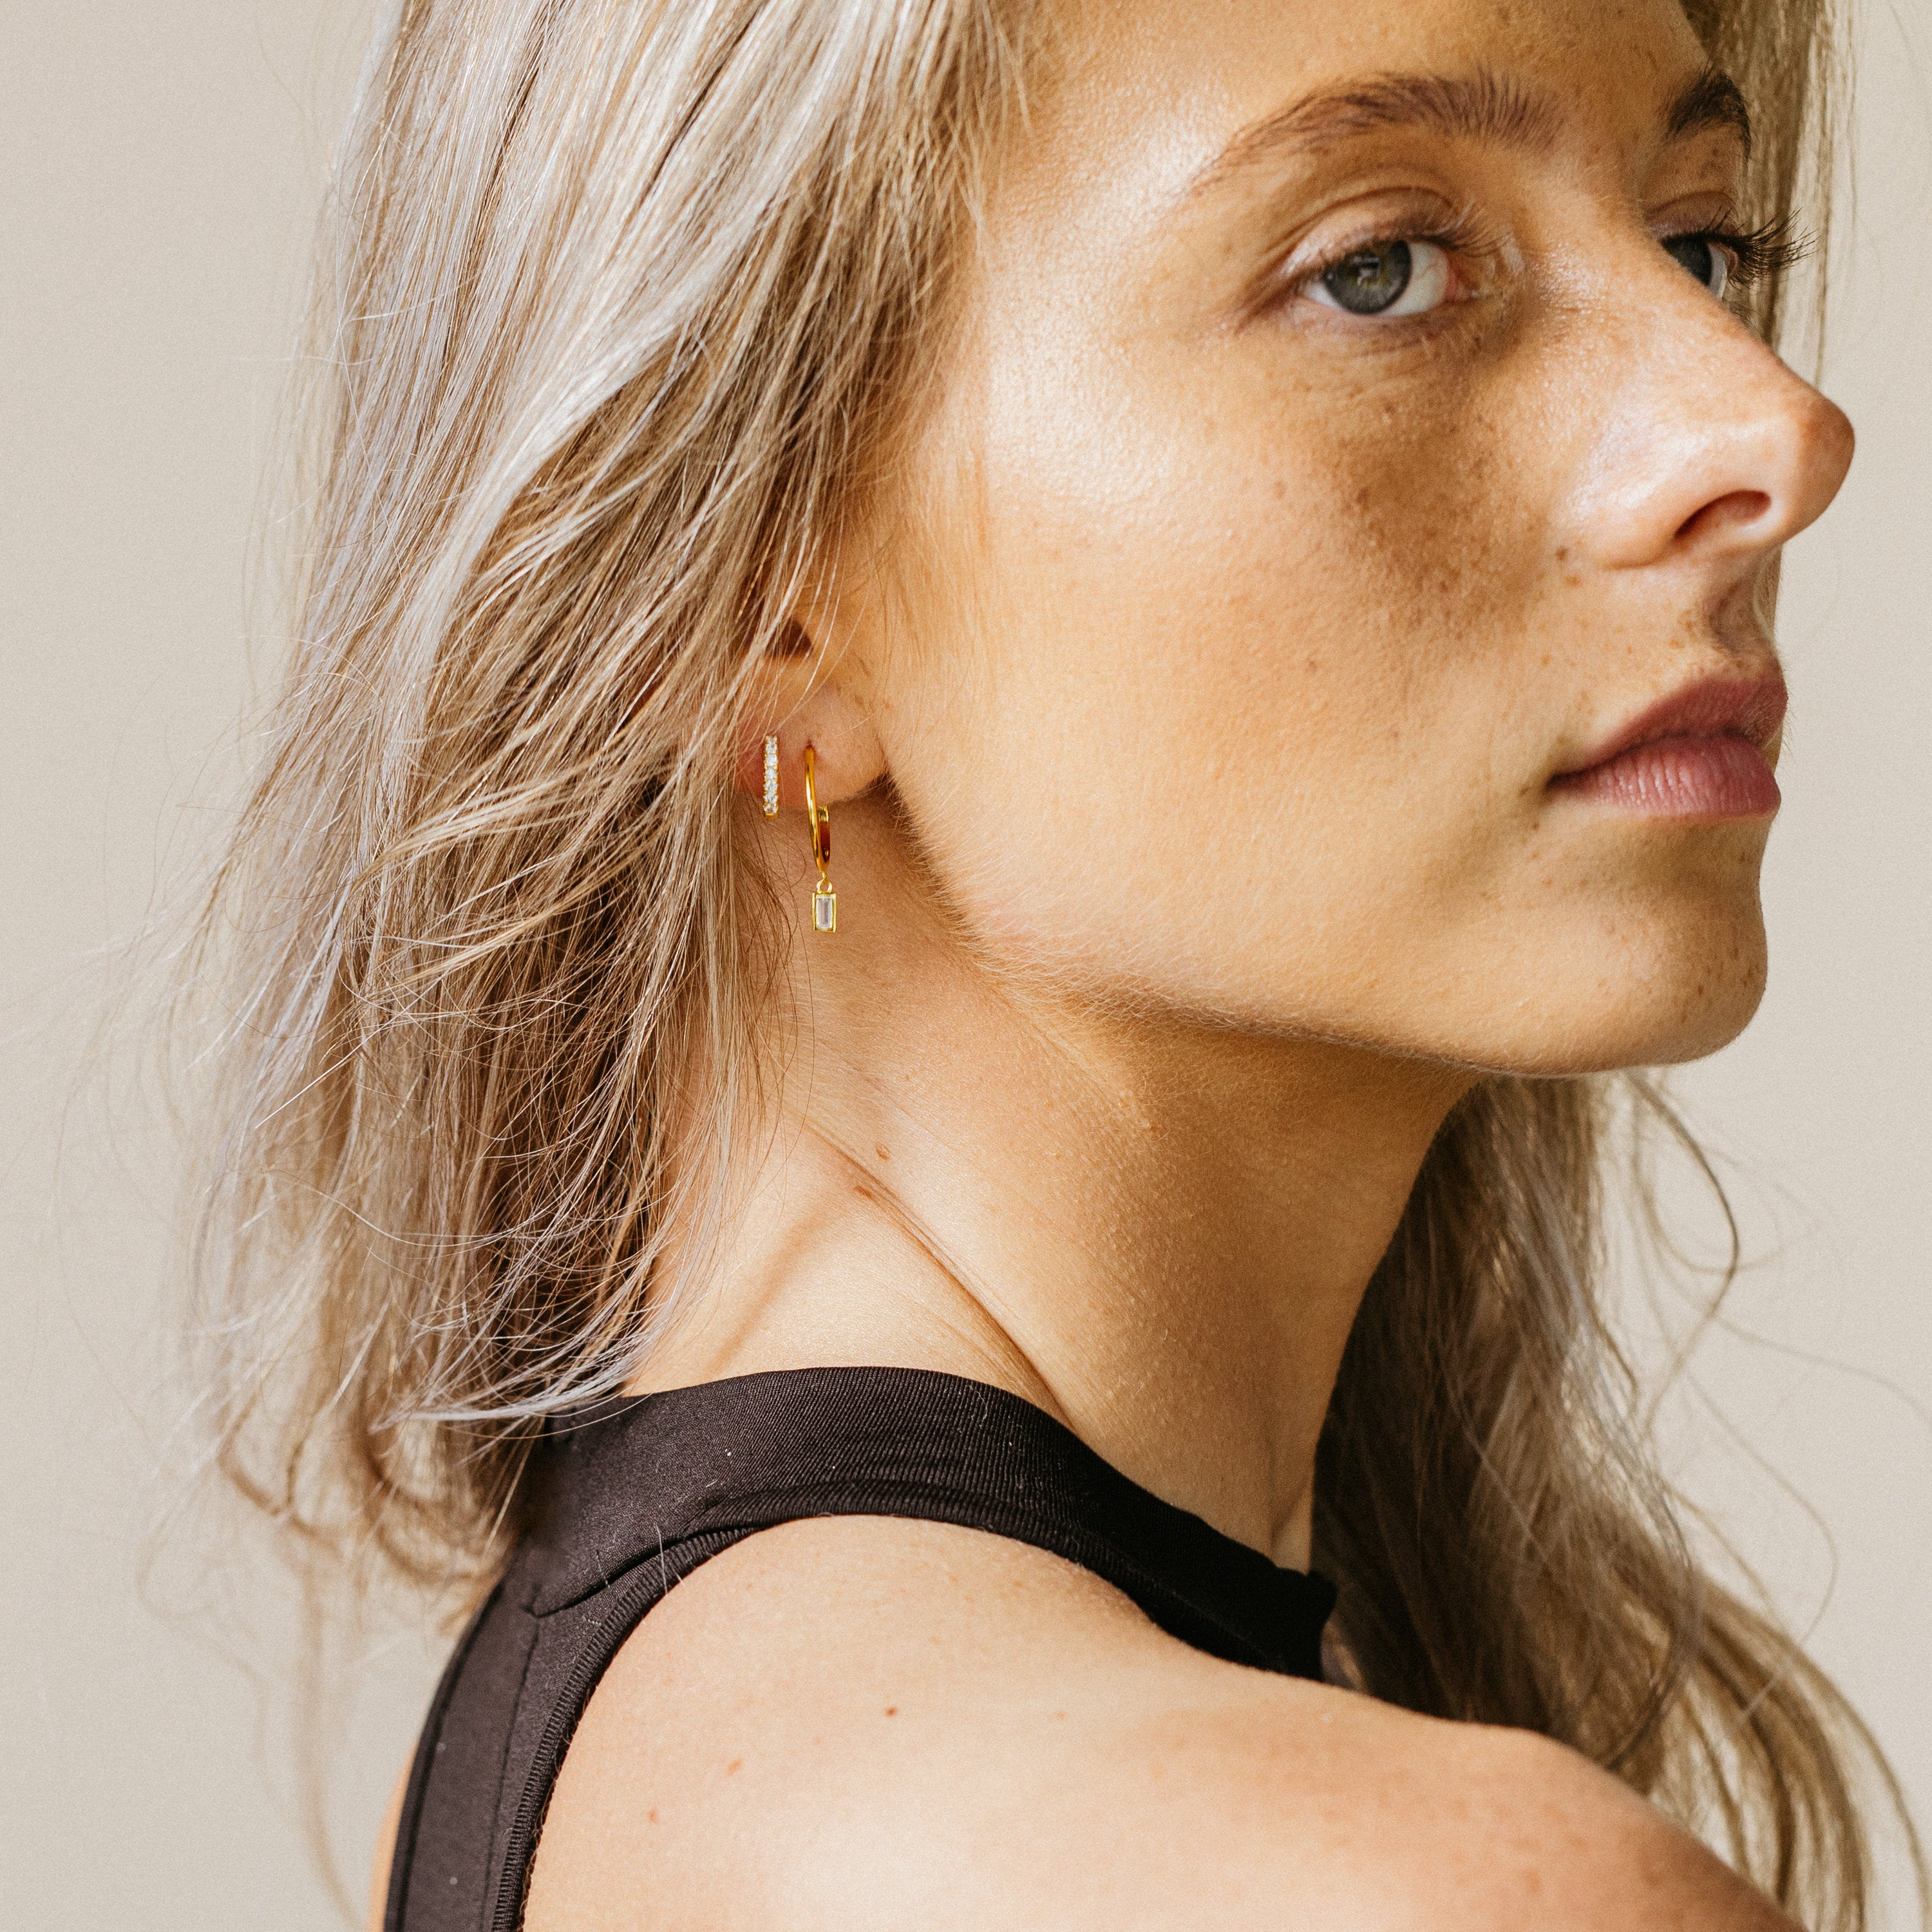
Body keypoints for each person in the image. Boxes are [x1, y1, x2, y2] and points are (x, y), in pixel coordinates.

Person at [185, 0, 1916, 1926]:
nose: (1771, 423)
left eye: (1701, 244)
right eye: (1380, 270)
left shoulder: (595, 1729)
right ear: (758, 609)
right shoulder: (1393, 1893)